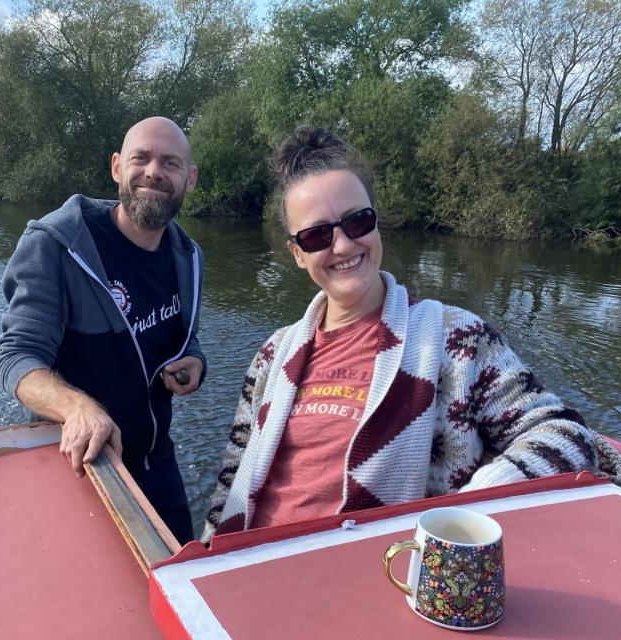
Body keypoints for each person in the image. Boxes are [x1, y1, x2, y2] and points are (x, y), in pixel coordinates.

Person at [203, 125, 598, 541]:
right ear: (298, 254)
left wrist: (472, 505)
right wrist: (207, 557)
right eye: (317, 235)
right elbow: (232, 480)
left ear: (376, 225)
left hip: (381, 570)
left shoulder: (455, 339)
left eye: (357, 221)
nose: (341, 246)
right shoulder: (272, 355)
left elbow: (566, 435)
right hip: (249, 565)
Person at [0, 116, 204, 544]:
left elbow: (185, 337)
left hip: (158, 462)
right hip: (84, 465)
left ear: (189, 178)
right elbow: (16, 358)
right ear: (115, 167)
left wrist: (195, 361)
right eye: (140, 158)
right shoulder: (54, 246)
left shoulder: (187, 255)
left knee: (185, 580)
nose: (154, 172)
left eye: (170, 163)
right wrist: (76, 408)